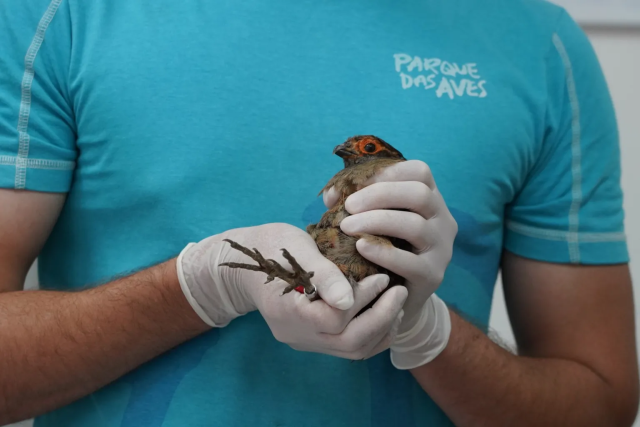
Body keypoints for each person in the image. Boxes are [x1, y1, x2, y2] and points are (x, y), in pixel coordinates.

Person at [0, 0, 637, 425]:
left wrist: (429, 335)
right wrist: (199, 285)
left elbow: (602, 404)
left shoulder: (540, 48)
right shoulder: (59, 14)